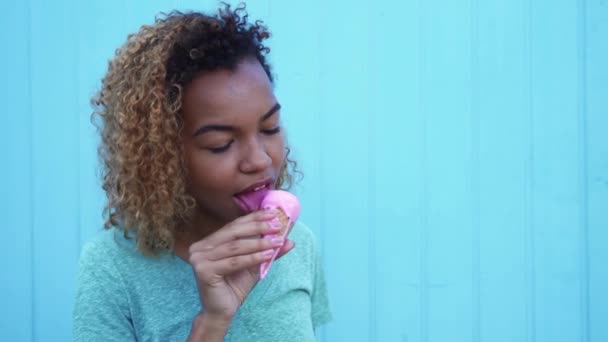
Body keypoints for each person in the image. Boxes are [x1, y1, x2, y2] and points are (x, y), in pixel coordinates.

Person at [73, 4, 332, 341]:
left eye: (269, 128)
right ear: (162, 157)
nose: (259, 160)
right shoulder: (111, 269)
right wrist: (212, 323)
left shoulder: (300, 245)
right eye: (221, 143)